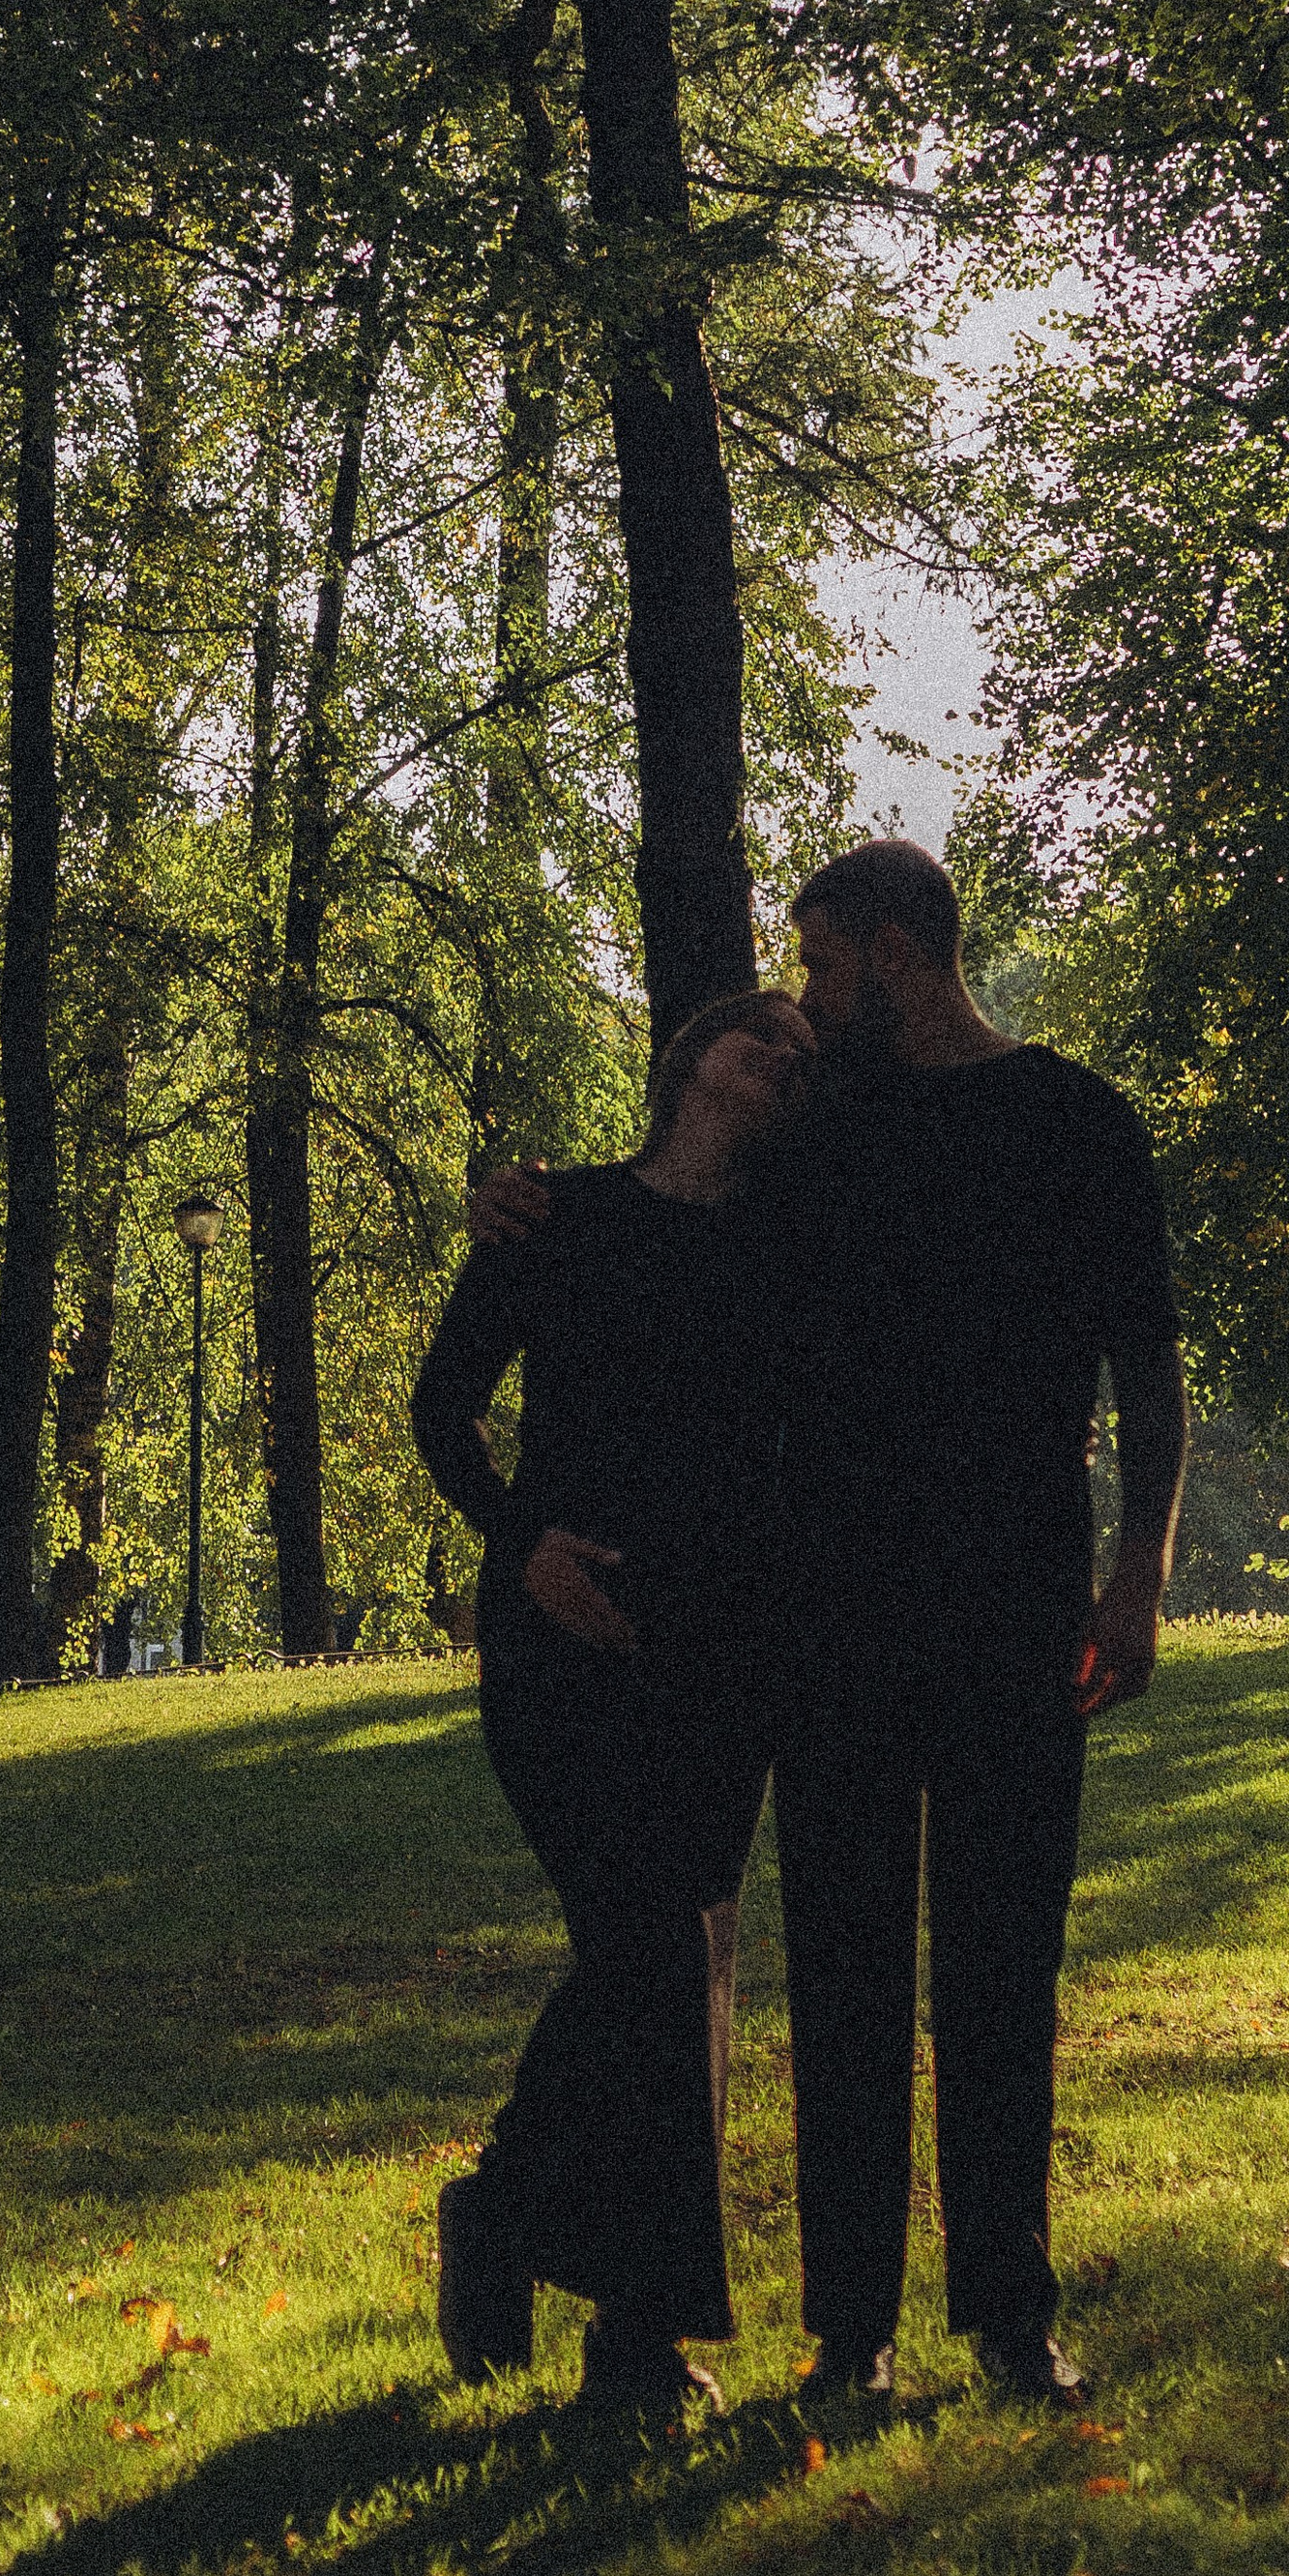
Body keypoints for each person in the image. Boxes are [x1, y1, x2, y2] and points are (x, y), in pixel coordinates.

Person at [471, 837, 1186, 2408]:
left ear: (894, 949)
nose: (803, 998)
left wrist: (1137, 1580)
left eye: (818, 962)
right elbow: (673, 1214)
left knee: (1004, 1969)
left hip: (1014, 1614)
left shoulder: (1072, 1120)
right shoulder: (819, 1135)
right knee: (851, 1978)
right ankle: (849, 2335)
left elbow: (1150, 1370)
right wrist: (522, 1206)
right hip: (832, 1626)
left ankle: (1010, 2315)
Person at [411, 988, 815, 2413]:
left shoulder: (790, 1247)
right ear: (687, 1060)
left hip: (724, 1651)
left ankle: (527, 2226)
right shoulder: (554, 1216)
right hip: (560, 1640)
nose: (776, 1057)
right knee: (646, 1953)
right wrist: (523, 1547)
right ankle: (634, 2335)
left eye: (797, 1051)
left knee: (672, 1968)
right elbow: (440, 1407)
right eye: (752, 1035)